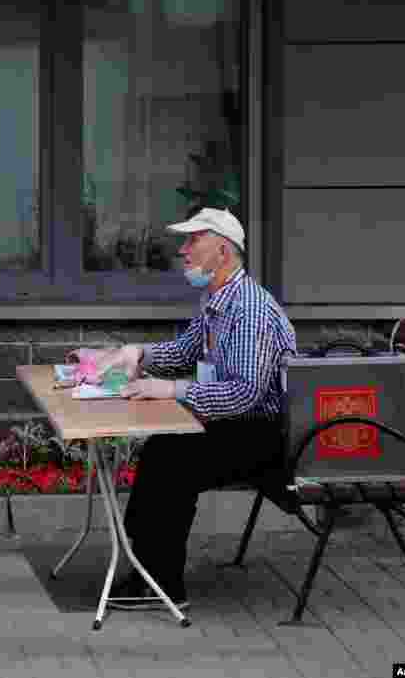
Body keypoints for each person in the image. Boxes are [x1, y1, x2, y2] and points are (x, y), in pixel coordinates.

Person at [71, 206, 297, 610]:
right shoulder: (219, 299)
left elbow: (245, 393)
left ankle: (162, 583)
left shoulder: (250, 310)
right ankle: (147, 564)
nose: (183, 250)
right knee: (164, 449)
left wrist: (170, 389)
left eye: (194, 240)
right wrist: (136, 353)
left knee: (172, 460)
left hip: (266, 435)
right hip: (236, 424)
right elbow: (185, 350)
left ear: (223, 251)